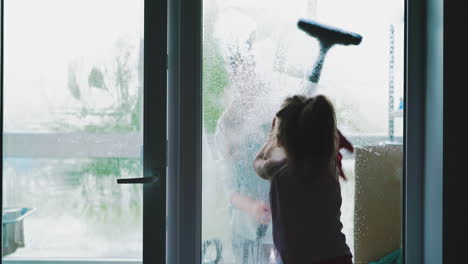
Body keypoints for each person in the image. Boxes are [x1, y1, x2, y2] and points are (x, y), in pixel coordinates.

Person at [253, 95, 353, 264]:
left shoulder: (279, 171)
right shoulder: (329, 168)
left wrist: (273, 133)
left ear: (280, 137)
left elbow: (257, 164)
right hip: (338, 258)